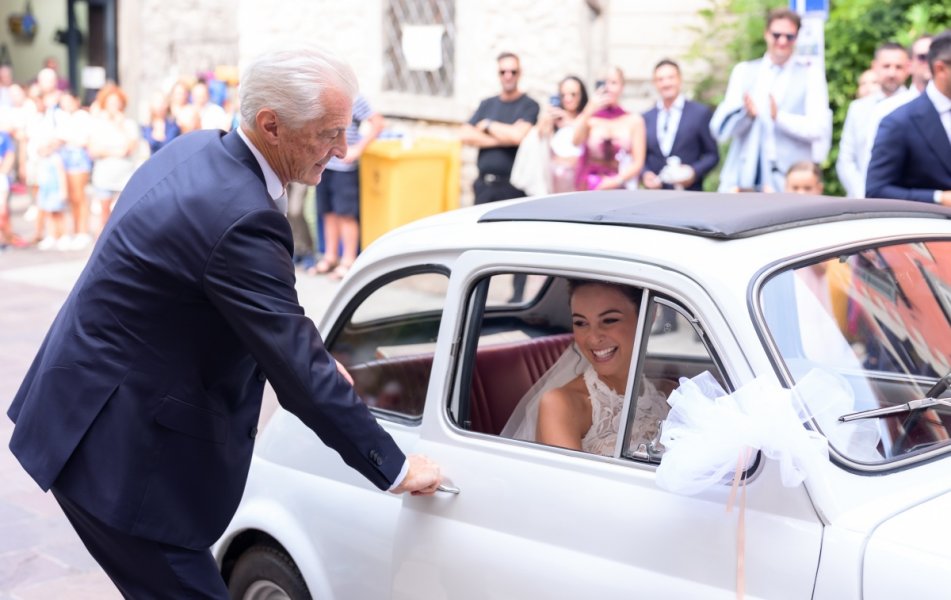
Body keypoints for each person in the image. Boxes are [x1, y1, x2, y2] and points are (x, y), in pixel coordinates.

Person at [6, 47, 442, 598]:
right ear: (271, 126)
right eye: (329, 132)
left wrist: (294, 347)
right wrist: (397, 468)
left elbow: (235, 303)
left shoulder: (198, 151)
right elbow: (300, 375)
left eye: (346, 128)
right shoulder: (240, 215)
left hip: (83, 410)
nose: (341, 150)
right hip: (119, 458)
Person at [503, 279, 669, 456]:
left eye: (609, 320)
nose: (593, 338)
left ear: (648, 316)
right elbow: (573, 483)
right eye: (581, 323)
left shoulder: (668, 393)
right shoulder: (560, 405)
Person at [710, 8, 831, 193]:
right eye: (777, 35)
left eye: (789, 36)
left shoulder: (810, 74)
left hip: (791, 181)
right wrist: (746, 115)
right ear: (766, 34)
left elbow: (818, 128)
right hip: (745, 180)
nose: (782, 41)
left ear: (796, 38)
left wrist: (779, 118)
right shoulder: (744, 71)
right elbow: (721, 130)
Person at [865, 29, 951, 204]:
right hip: (931, 227)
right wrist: (939, 197)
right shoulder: (898, 122)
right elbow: (876, 190)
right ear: (941, 69)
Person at [309, 93, 384, 279]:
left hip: (345, 167)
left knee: (346, 214)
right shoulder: (321, 97)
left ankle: (348, 260)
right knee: (327, 212)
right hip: (324, 164)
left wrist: (359, 148)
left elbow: (378, 123)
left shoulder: (355, 99)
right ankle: (330, 257)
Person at [461, 52, 540, 204]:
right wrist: (505, 138)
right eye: (503, 72)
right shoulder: (487, 104)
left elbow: (518, 137)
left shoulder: (529, 105)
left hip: (513, 188)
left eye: (513, 72)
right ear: (498, 74)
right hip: (484, 186)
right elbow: (464, 135)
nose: (508, 76)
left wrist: (488, 125)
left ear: (520, 73)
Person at [836, 43, 910, 198]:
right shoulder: (858, 108)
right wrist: (864, 193)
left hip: (904, 201)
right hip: (861, 200)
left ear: (908, 68)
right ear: (874, 67)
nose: (892, 72)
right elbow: (846, 159)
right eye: (886, 66)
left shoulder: (917, 106)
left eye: (898, 67)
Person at [860, 35, 933, 179]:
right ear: (909, 65)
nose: (930, 62)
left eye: (934, 55)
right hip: (902, 198)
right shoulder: (887, 109)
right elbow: (872, 165)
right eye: (923, 57)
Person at [641, 59, 719, 191]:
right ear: (655, 83)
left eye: (670, 77)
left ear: (680, 79)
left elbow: (712, 155)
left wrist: (693, 172)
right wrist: (645, 174)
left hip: (689, 195)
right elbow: (640, 156)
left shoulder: (700, 113)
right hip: (655, 196)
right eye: (660, 79)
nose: (666, 83)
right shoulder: (646, 117)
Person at [572, 66, 646, 191]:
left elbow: (638, 162)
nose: (608, 88)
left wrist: (616, 181)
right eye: (603, 83)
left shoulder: (634, 120)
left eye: (613, 83)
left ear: (622, 87)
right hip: (591, 186)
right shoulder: (590, 119)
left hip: (621, 187)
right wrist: (588, 110)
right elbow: (575, 141)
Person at [87, 84, 141, 235]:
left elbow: (130, 148)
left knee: (125, 215)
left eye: (117, 103)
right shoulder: (98, 124)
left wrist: (120, 126)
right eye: (111, 103)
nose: (114, 106)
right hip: (104, 176)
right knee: (104, 216)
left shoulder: (129, 124)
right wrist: (116, 151)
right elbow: (93, 150)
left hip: (125, 177)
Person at [55, 91, 93, 248]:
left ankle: (83, 231)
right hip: (65, 157)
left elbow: (84, 139)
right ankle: (76, 230)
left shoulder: (82, 117)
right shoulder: (61, 117)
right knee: (71, 197)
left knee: (79, 195)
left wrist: (67, 139)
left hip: (78, 158)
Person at [141, 89, 181, 155]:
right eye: (157, 102)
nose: (160, 106)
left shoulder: (173, 125)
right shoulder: (146, 127)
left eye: (162, 102)